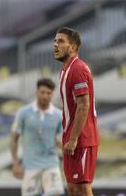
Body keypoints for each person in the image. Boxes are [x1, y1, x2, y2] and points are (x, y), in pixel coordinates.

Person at [54, 27, 100, 196]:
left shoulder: (78, 69)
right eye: (55, 41)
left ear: (72, 47)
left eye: (60, 41)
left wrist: (73, 139)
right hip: (72, 138)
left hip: (82, 139)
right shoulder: (66, 69)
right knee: (73, 188)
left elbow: (83, 105)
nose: (55, 45)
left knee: (83, 187)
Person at [10, 78, 65, 196]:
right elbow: (14, 138)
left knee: (56, 194)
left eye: (48, 93)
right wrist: (15, 163)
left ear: (52, 94)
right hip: (30, 166)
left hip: (51, 164)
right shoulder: (24, 112)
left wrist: (62, 146)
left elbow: (59, 139)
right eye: (42, 92)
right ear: (37, 92)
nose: (45, 96)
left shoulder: (58, 115)